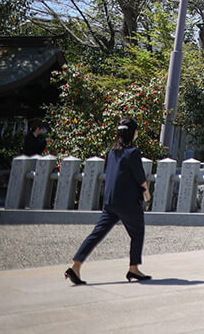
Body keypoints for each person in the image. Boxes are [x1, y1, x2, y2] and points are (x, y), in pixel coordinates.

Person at [65, 118, 150, 285]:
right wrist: (146, 192)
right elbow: (139, 176)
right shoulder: (133, 152)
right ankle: (133, 269)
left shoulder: (112, 152)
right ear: (132, 133)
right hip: (128, 201)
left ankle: (75, 266)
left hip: (110, 201)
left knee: (97, 234)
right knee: (137, 232)